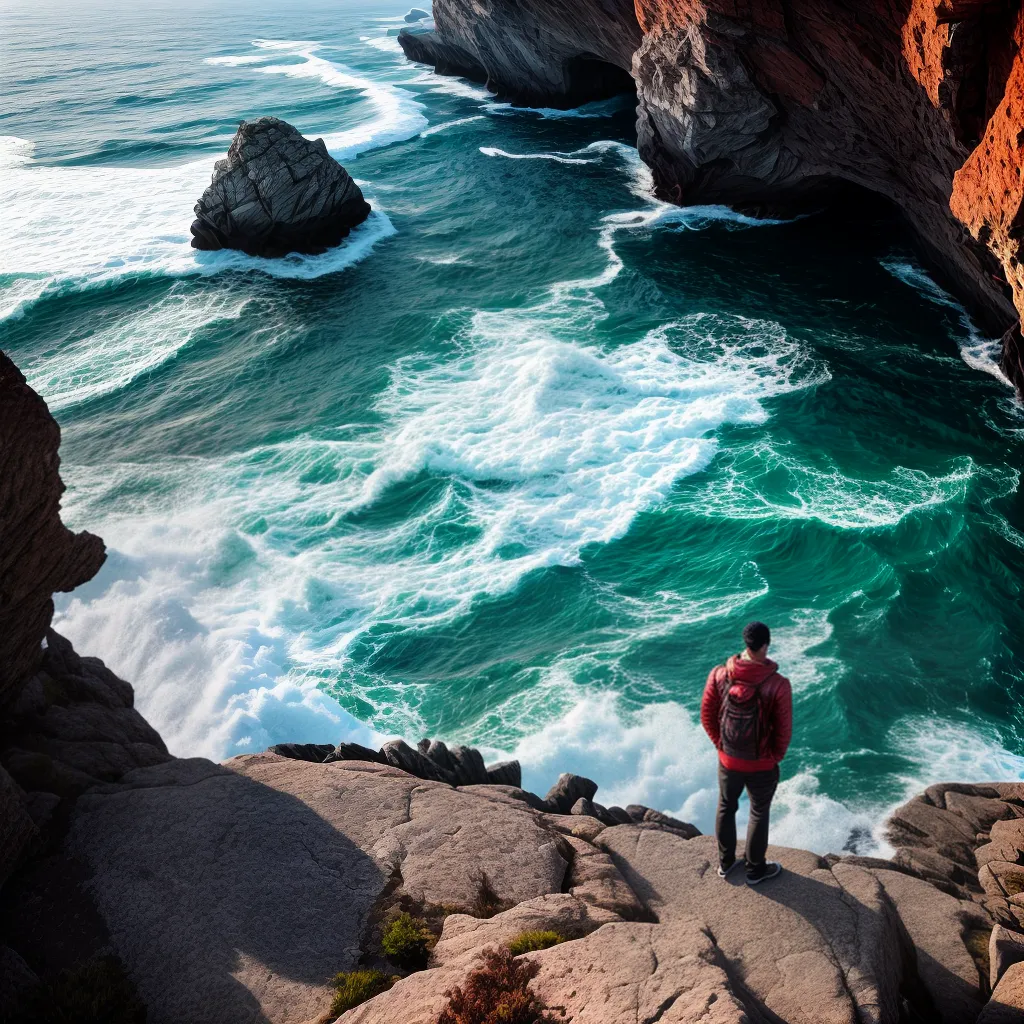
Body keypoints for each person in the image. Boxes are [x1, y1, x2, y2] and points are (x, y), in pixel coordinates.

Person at [701, 621, 792, 885]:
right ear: (765, 645)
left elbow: (706, 714)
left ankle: (725, 864)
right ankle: (755, 870)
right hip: (762, 763)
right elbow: (784, 729)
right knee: (758, 812)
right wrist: (774, 756)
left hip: (728, 760)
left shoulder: (720, 674)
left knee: (726, 807)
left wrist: (721, 745)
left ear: (745, 644)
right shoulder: (777, 684)